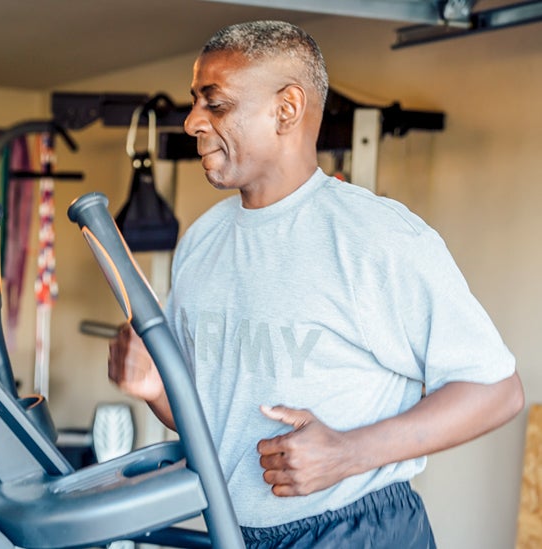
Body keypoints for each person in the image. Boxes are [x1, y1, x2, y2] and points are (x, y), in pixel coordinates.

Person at [107, 20, 524, 548]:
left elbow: (497, 391)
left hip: (357, 528)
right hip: (236, 531)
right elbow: (211, 422)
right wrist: (156, 389)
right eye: (195, 102)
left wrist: (350, 451)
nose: (192, 122)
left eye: (215, 104)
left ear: (287, 108)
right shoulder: (202, 241)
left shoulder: (378, 238)